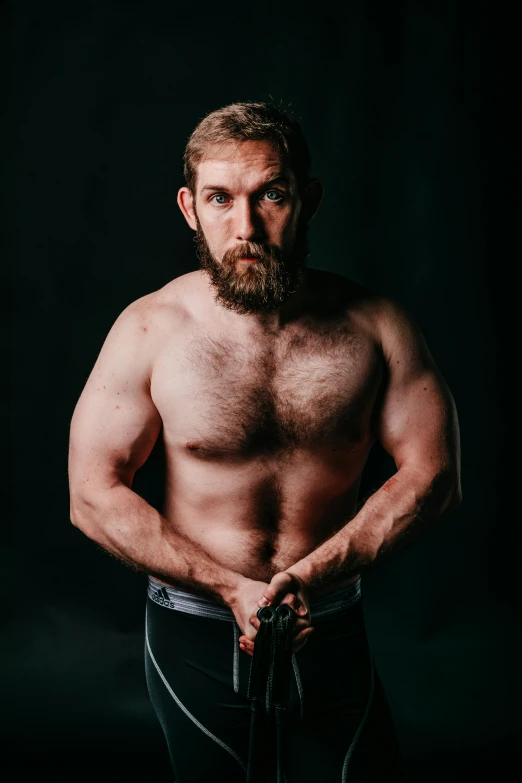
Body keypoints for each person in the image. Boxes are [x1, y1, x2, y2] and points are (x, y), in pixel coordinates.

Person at [68, 102, 461, 782]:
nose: (245, 227)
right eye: (220, 199)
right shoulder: (148, 331)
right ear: (190, 208)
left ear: (306, 199)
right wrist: (228, 588)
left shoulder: (377, 328)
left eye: (270, 195)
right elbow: (91, 493)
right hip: (194, 628)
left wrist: (312, 575)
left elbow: (434, 475)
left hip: (329, 621)